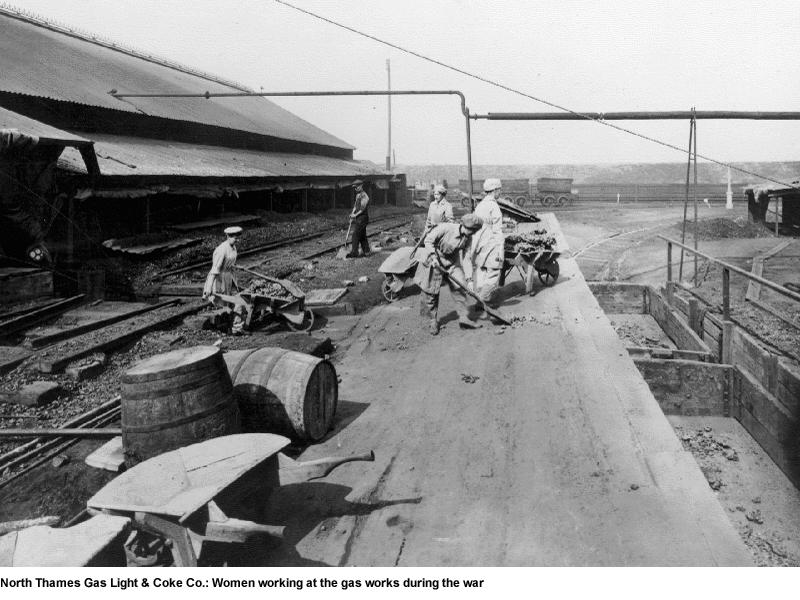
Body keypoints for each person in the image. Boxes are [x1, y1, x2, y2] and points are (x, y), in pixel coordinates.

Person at [413, 213, 484, 335]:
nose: (472, 234)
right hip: (433, 260)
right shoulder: (445, 228)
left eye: (474, 231)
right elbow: (428, 241)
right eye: (471, 231)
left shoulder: (468, 238)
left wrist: (469, 280)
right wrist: (433, 257)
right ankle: (433, 320)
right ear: (464, 226)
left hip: (451, 262)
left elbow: (467, 258)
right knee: (431, 292)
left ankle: (464, 318)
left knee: (460, 287)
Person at [468, 178, 506, 318]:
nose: (500, 192)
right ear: (495, 190)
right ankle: (484, 302)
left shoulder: (480, 205)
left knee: (481, 271)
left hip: (479, 242)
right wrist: (500, 248)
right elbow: (497, 229)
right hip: (490, 242)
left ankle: (479, 299)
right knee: (494, 272)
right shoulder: (494, 206)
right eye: (499, 190)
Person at [202, 226, 246, 334]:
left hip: (230, 277)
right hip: (220, 279)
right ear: (228, 236)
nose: (236, 239)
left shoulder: (234, 247)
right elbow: (214, 270)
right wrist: (208, 289)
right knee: (227, 303)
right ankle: (229, 327)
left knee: (239, 300)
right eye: (234, 237)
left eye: (237, 237)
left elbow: (231, 262)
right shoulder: (221, 249)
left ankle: (236, 328)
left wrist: (235, 266)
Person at [346, 180, 370, 258]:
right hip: (359, 217)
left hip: (363, 218)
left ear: (361, 186)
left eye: (356, 187)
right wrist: (352, 213)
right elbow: (356, 206)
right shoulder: (358, 195)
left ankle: (354, 253)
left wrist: (355, 215)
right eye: (354, 188)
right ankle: (367, 252)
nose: (355, 189)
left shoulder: (365, 196)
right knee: (362, 235)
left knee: (355, 235)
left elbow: (362, 209)